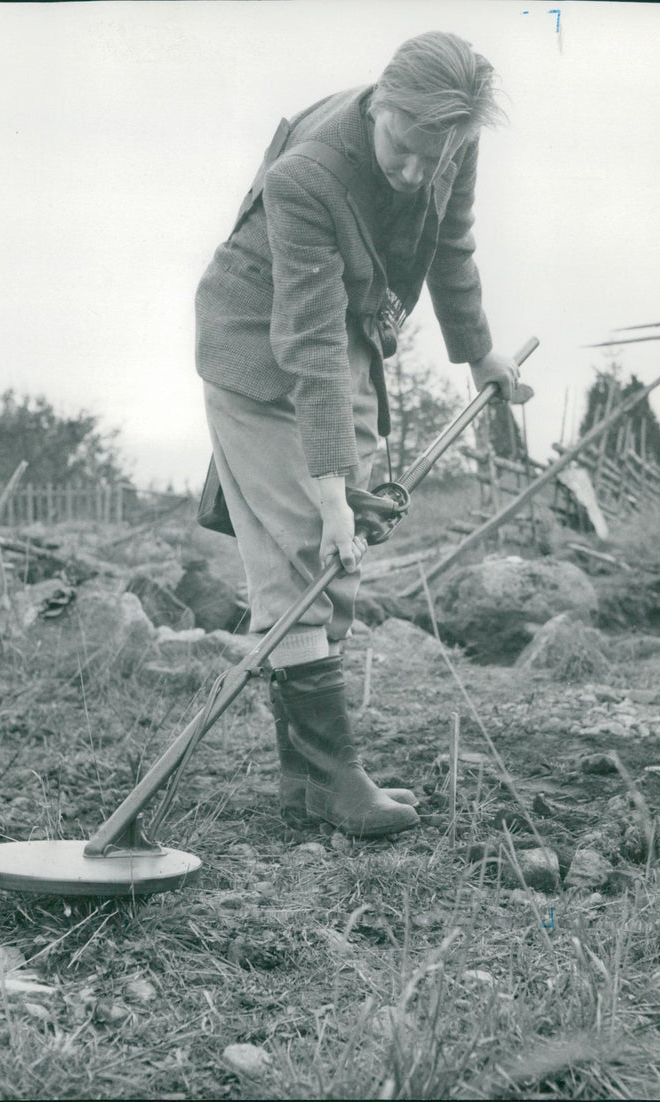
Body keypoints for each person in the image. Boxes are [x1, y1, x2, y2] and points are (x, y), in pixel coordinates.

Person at [194, 31, 520, 838]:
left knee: (339, 558)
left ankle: (308, 783)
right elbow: (303, 345)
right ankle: (339, 777)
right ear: (381, 102)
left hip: (345, 334)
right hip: (260, 343)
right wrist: (329, 487)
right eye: (402, 150)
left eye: (432, 160)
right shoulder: (307, 171)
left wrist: (480, 352)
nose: (414, 173)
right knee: (307, 542)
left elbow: (450, 242)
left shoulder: (449, 142)